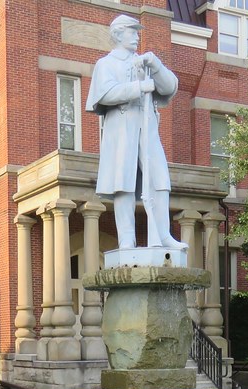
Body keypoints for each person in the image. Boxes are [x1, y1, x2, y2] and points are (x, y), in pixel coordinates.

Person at [86, 15, 187, 251]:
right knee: (124, 184)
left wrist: (157, 66)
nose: (137, 35)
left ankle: (163, 235)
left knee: (160, 179)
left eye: (137, 31)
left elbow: (170, 87)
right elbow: (104, 94)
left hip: (147, 128)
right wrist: (138, 87)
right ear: (119, 34)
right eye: (132, 31)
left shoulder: (144, 63)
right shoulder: (106, 64)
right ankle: (127, 239)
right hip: (121, 130)